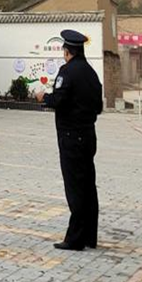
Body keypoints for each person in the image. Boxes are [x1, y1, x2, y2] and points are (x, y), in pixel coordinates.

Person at [36, 30, 103, 251]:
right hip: (88, 135)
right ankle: (89, 236)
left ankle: (75, 238)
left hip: (71, 137)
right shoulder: (91, 74)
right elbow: (99, 107)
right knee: (88, 186)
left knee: (75, 188)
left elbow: (59, 100)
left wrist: (43, 97)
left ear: (67, 52)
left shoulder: (68, 72)